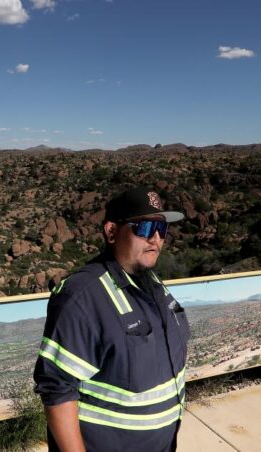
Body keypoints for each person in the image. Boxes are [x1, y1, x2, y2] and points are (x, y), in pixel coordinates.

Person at [33, 187, 191, 452]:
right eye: (145, 227)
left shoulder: (151, 282)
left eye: (162, 229)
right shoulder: (82, 296)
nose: (155, 239)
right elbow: (57, 389)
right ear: (111, 232)